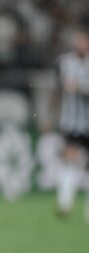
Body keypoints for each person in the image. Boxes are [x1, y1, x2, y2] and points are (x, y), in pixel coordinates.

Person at [55, 29, 89, 218]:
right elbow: (57, 89)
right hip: (71, 122)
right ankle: (64, 204)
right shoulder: (65, 62)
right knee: (70, 161)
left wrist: (81, 89)